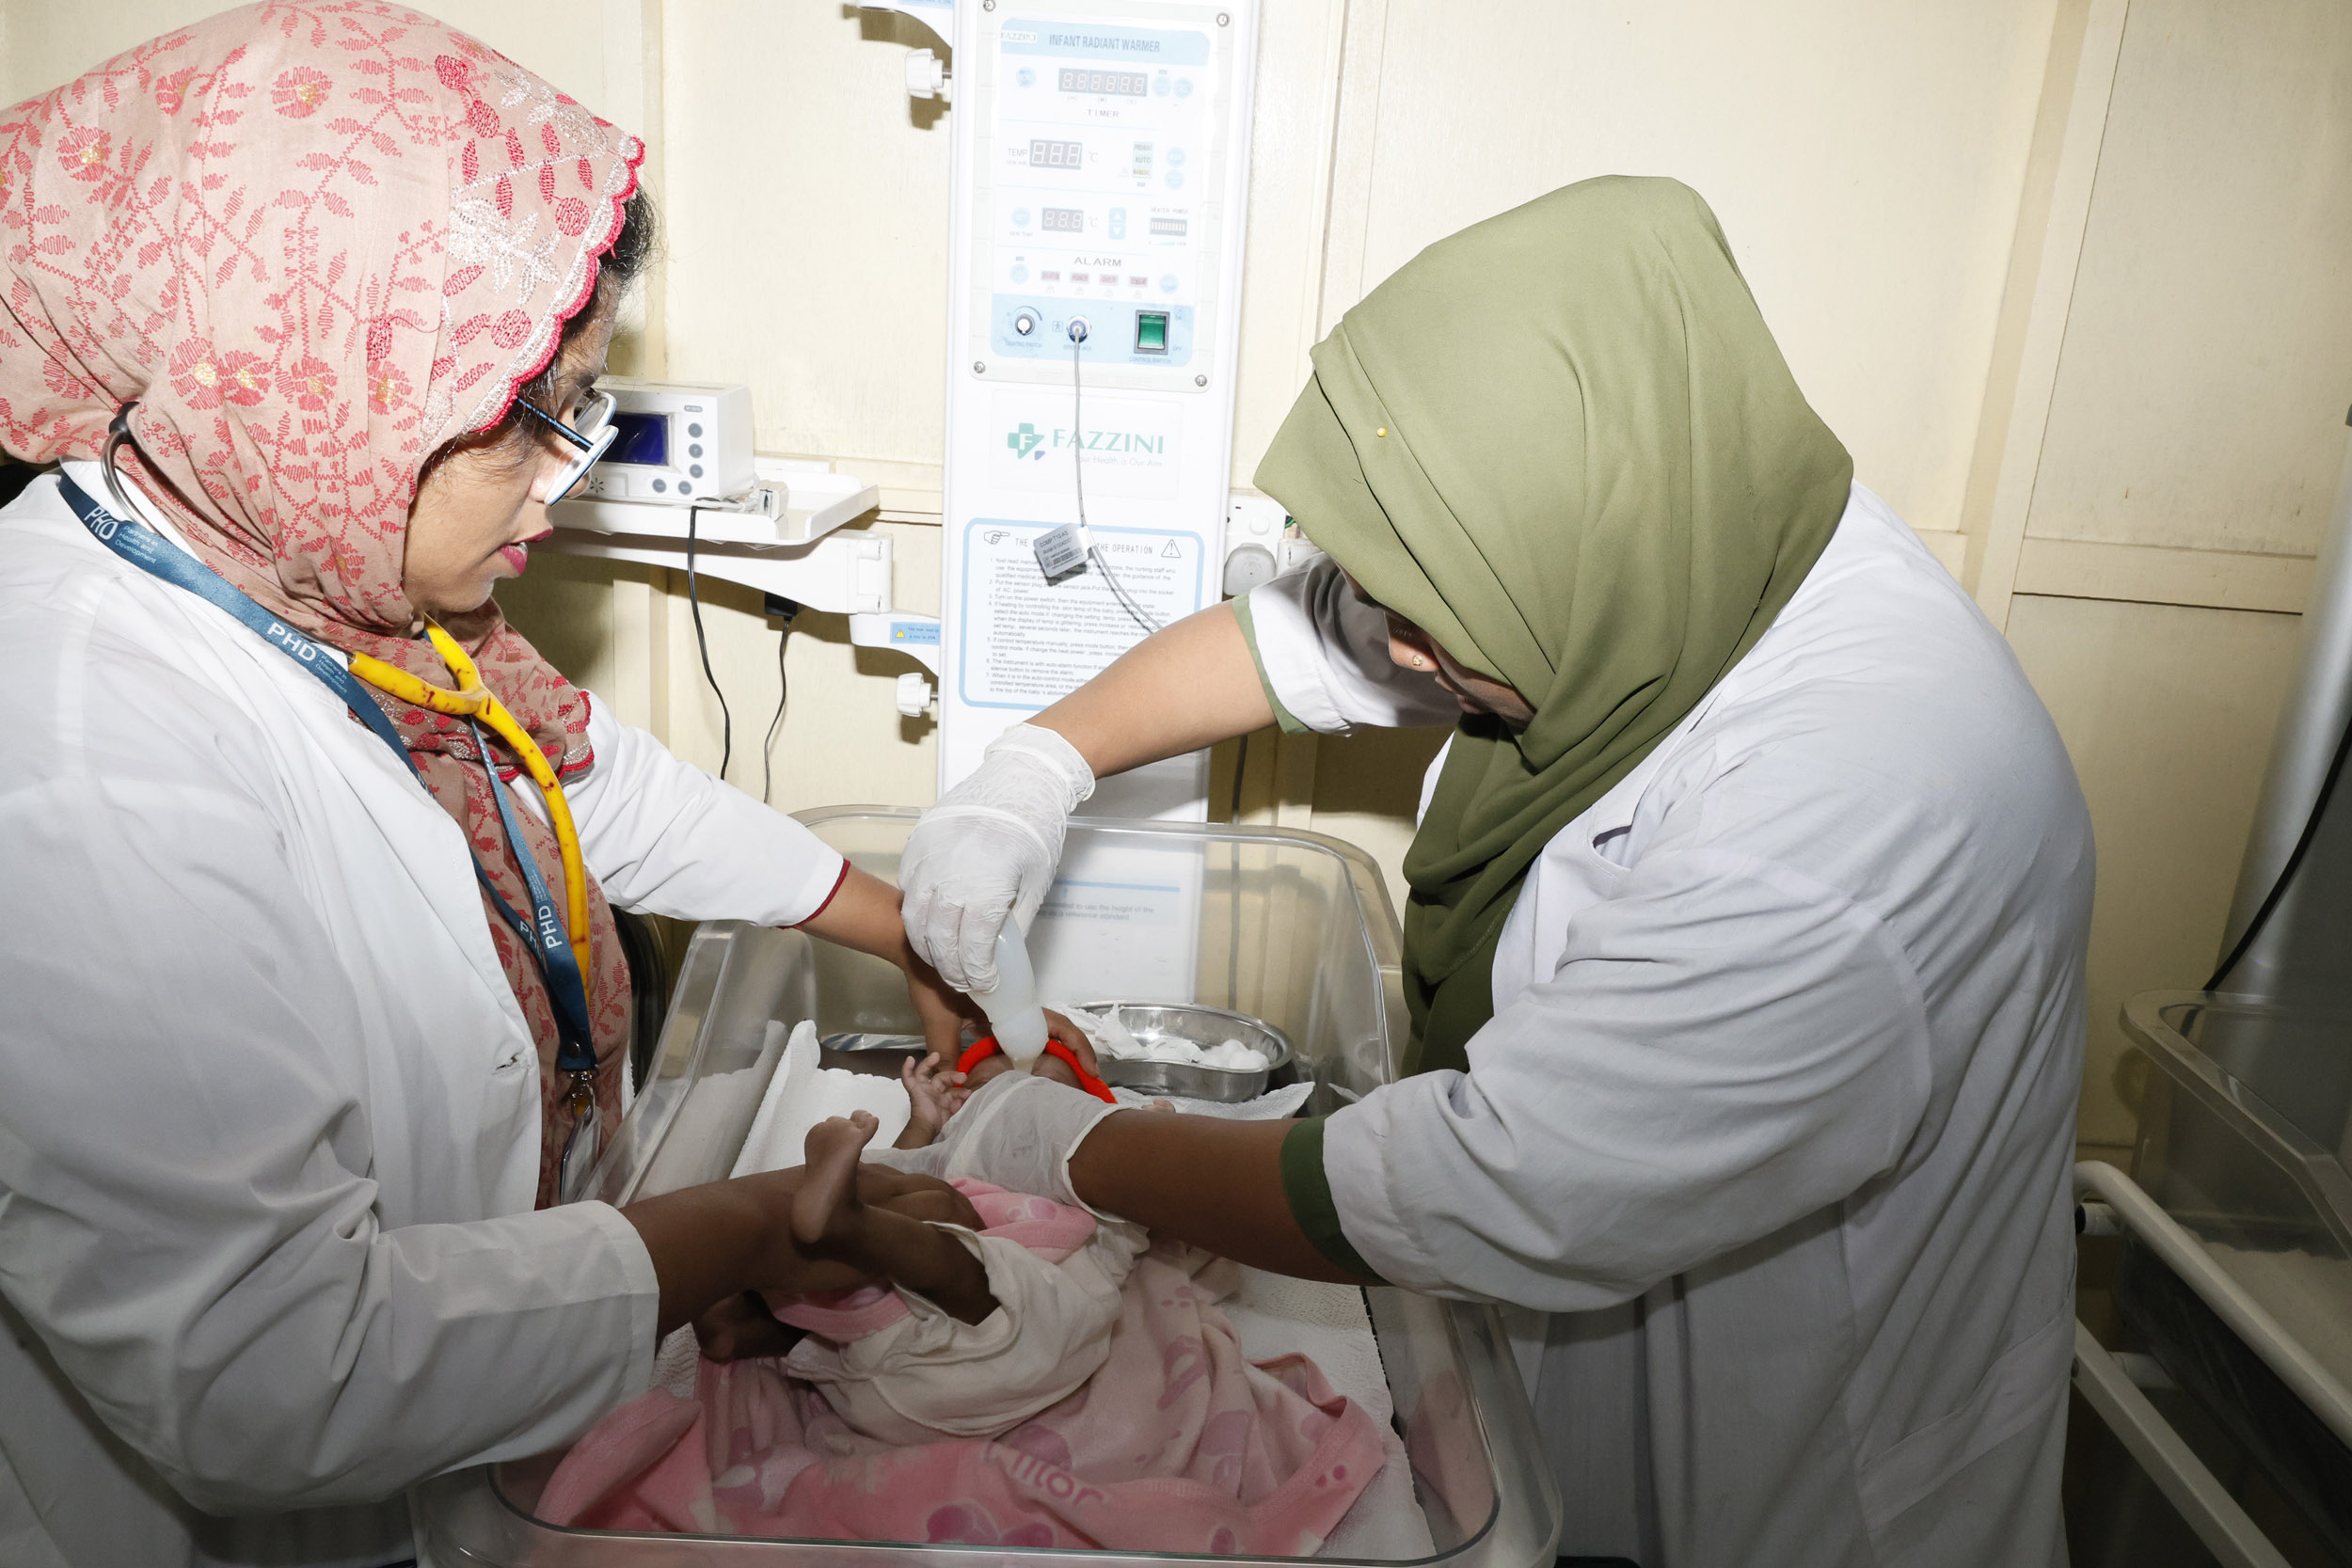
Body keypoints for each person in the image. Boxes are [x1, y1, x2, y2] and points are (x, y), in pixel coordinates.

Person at [897, 177, 2094, 1567]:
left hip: (1810, 1476)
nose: (1395, 652)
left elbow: (1481, 1187)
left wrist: (1070, 1147)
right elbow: (1299, 641)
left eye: (1431, 623)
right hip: (1580, 1350)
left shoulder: (1851, 821)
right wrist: (1032, 770)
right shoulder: (1669, 546)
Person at [0, 8, 1024, 1565]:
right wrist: (737, 1231)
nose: (566, 479)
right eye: (526, 422)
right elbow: (274, 1372)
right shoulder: (78, 762)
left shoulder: (323, 573)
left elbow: (583, 785)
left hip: (496, 1381)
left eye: (582, 414)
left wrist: (900, 931)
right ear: (318, 384)